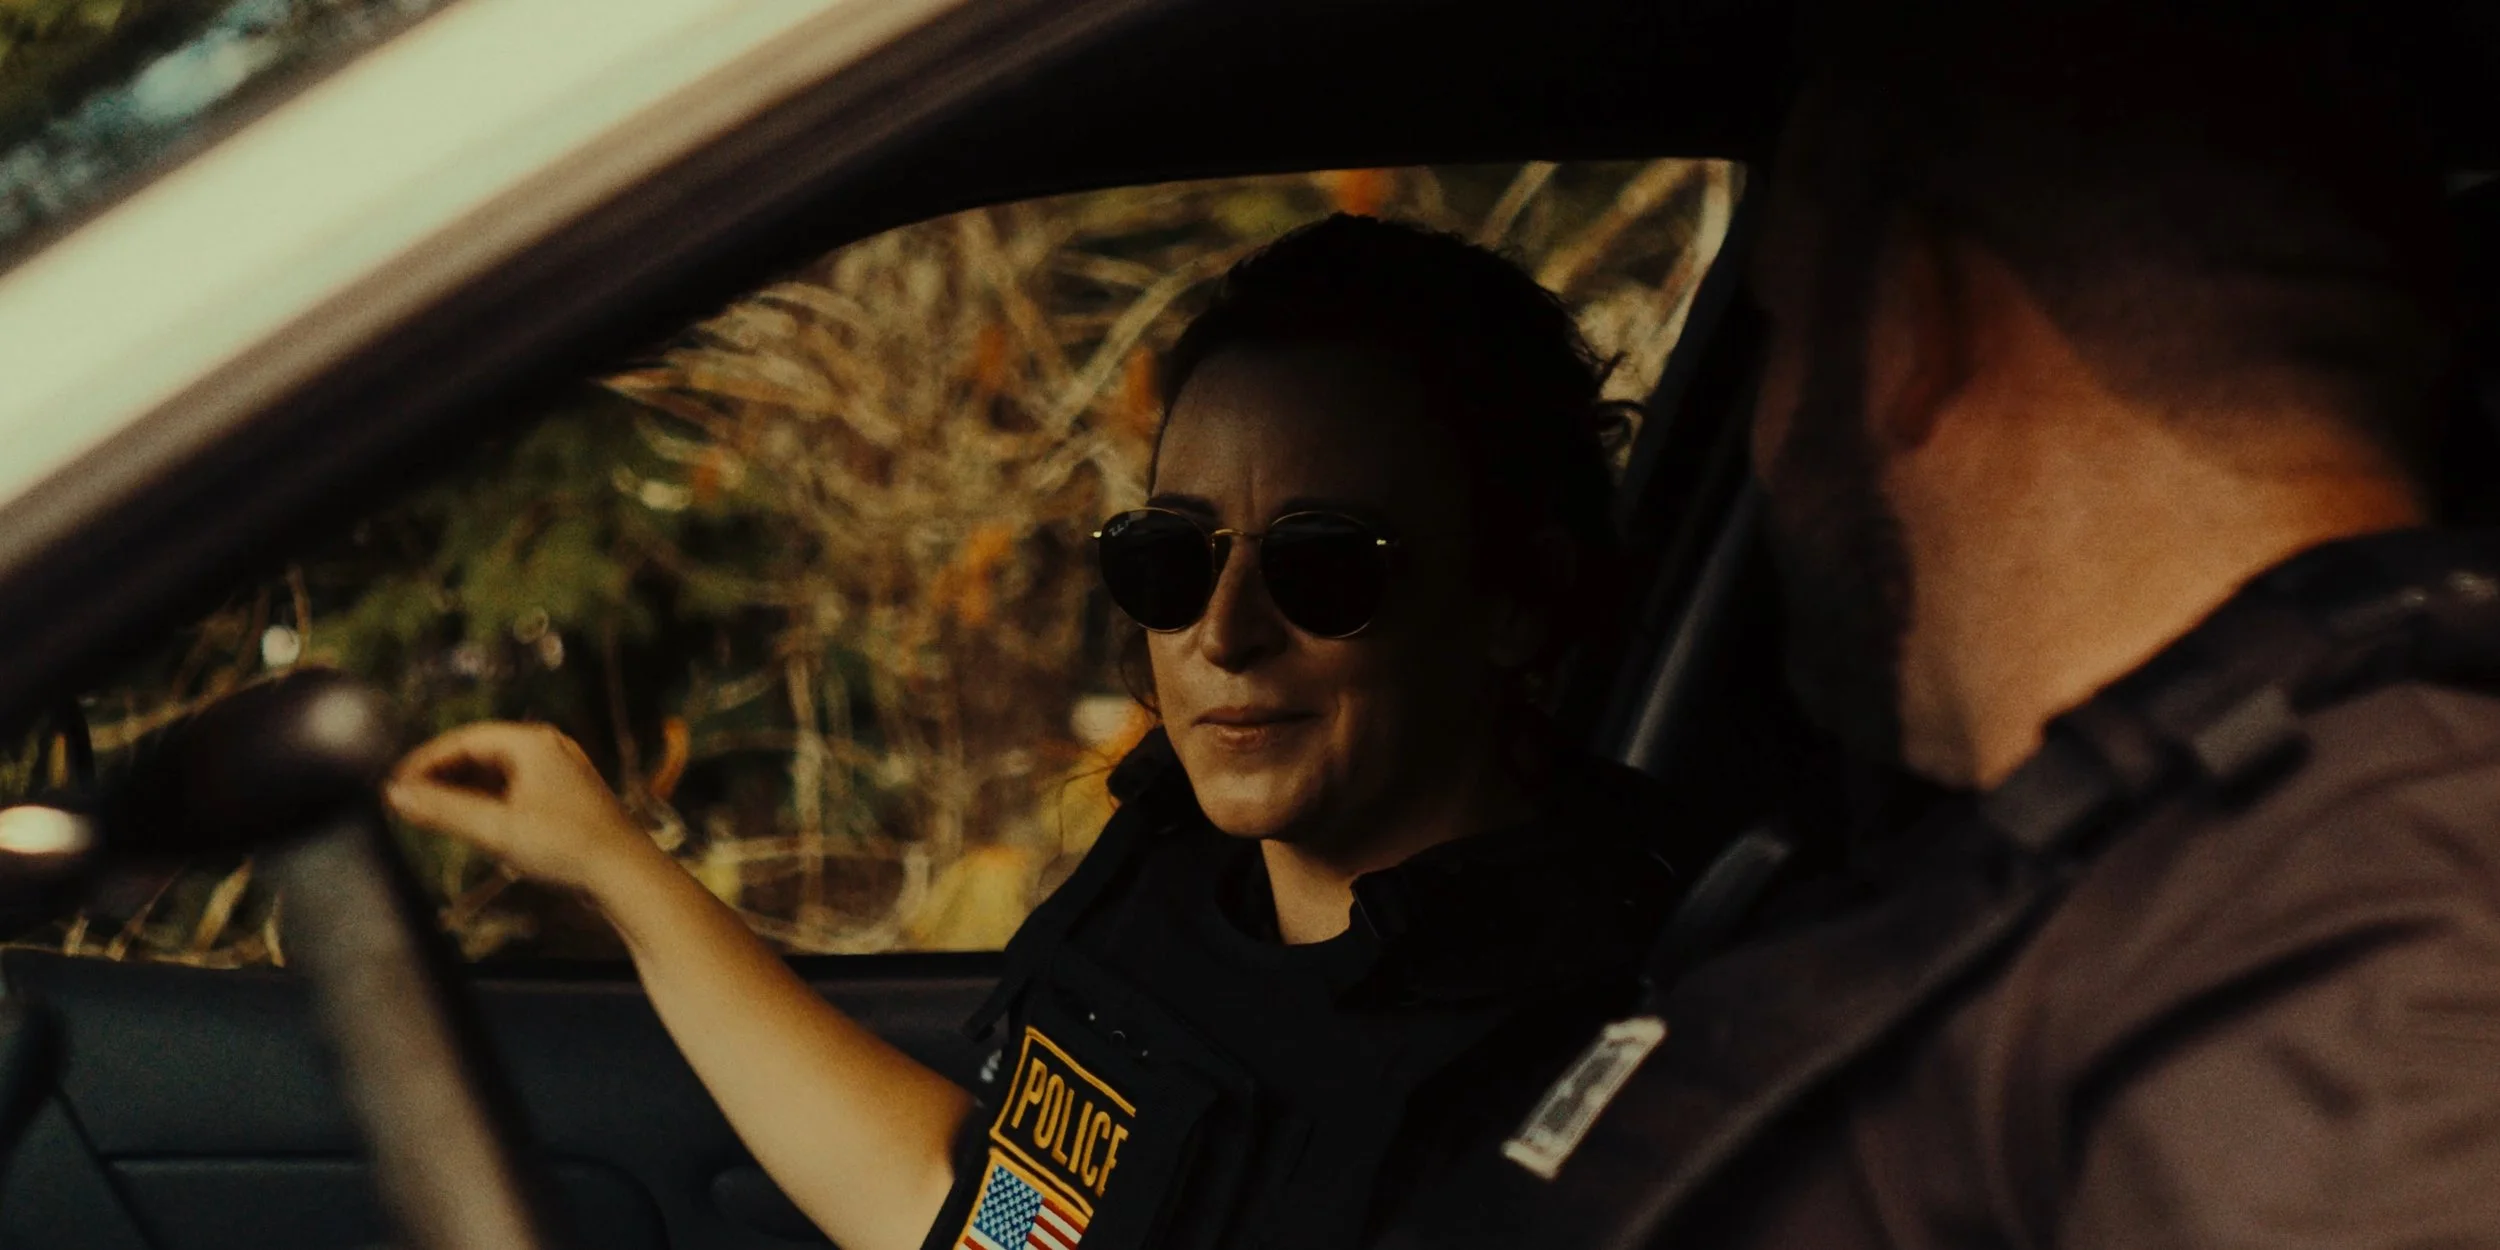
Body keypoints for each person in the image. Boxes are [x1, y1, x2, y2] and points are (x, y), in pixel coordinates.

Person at [1385, 4, 2500, 1248]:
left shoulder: (2374, 938)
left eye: (1782, 326)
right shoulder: (2181, 857)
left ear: (1912, 323)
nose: (1762, 436)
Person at [385, 214, 1693, 1250]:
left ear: (1516, 600)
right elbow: (983, 1215)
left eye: (1327, 564)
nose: (1221, 635)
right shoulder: (1179, 880)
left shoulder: (1608, 1055)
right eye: (1174, 558)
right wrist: (618, 863)